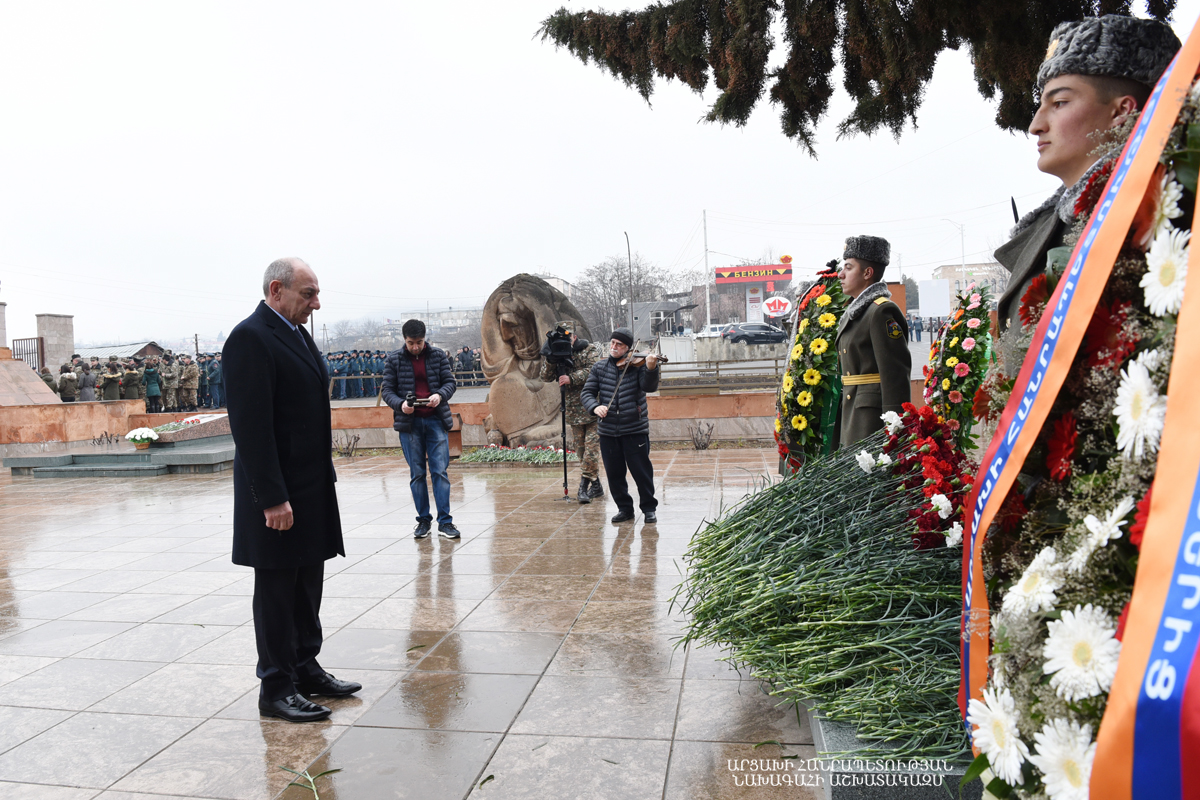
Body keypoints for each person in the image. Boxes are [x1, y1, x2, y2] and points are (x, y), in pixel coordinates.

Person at [224, 256, 357, 724]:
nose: (316, 304)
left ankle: (305, 667)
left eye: (317, 294)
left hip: (310, 487)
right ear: (276, 290)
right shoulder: (250, 337)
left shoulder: (298, 334)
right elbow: (251, 427)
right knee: (278, 590)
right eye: (308, 294)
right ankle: (276, 686)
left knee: (307, 584)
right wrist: (272, 497)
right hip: (280, 493)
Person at [995, 15, 1180, 331]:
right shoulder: (1054, 224)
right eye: (1041, 104)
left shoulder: (1158, 217)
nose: (1035, 125)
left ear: (1121, 112)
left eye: (1060, 102)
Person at [381, 319, 459, 540]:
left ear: (426, 338)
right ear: (404, 340)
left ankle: (445, 522)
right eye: (411, 342)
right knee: (417, 474)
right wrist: (400, 405)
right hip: (410, 424)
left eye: (419, 342)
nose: (415, 347)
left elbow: (450, 383)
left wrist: (440, 395)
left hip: (435, 420)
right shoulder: (394, 359)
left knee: (440, 473)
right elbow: (387, 390)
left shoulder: (438, 356)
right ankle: (423, 521)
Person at [835, 236, 912, 447]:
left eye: (848, 268)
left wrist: (895, 427)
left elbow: (895, 374)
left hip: (871, 420)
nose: (840, 274)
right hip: (853, 412)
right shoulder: (858, 311)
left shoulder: (880, 311)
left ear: (867, 273)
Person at [581, 327, 660, 524]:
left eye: (619, 345)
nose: (614, 347)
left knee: (642, 473)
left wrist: (651, 368)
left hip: (634, 428)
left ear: (628, 348)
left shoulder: (638, 365)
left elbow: (649, 387)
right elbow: (587, 393)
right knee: (615, 474)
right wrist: (595, 407)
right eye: (613, 343)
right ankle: (625, 509)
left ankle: (649, 509)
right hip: (608, 431)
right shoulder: (599, 368)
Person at [537, 321, 605, 503]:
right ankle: (596, 485)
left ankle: (582, 489)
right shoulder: (556, 352)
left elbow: (594, 370)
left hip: (593, 409)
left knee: (591, 451)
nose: (567, 341)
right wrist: (551, 359)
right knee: (582, 453)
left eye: (569, 338)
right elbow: (544, 377)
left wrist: (571, 378)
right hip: (574, 413)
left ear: (575, 336)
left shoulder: (588, 349)